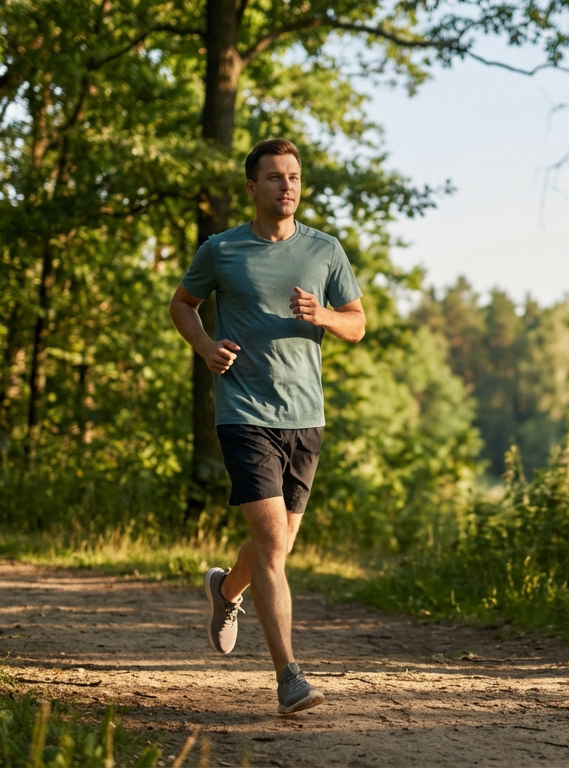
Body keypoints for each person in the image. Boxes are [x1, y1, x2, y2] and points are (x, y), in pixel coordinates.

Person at [168, 138, 365, 715]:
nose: (287, 187)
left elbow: (357, 324)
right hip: (244, 412)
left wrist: (323, 315)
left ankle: (225, 590)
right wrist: (205, 346)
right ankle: (289, 678)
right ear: (252, 188)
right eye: (276, 178)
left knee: (277, 545)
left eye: (295, 177)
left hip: (306, 416)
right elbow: (183, 304)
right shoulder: (222, 250)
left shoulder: (325, 251)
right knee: (274, 545)